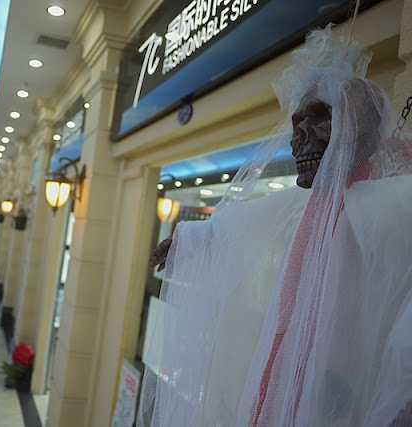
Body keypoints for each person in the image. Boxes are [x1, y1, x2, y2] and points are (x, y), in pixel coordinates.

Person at [139, 25, 412, 426]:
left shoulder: (389, 204)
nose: (298, 139)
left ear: (361, 130)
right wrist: (191, 238)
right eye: (296, 124)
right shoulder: (308, 206)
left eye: (320, 121)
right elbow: (253, 216)